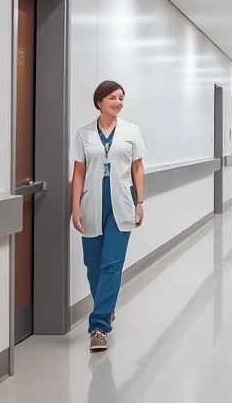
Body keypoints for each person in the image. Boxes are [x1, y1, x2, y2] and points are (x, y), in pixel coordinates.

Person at [70, 80, 149, 352]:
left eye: (121, 98)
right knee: (93, 265)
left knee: (112, 265)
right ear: (100, 101)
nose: (118, 102)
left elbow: (138, 168)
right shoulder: (84, 134)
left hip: (122, 202)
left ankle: (99, 325)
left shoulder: (131, 131)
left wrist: (140, 201)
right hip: (92, 202)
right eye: (113, 97)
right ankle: (106, 305)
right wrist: (75, 206)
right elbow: (78, 172)